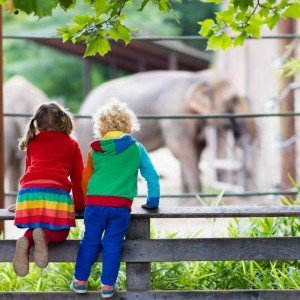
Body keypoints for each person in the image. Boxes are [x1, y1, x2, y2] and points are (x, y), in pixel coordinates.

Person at [70, 98, 160, 298]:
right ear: (128, 125)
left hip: (94, 204)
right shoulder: (136, 148)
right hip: (120, 206)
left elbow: (85, 179)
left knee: (90, 241)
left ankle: (80, 282)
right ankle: (107, 286)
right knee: (113, 244)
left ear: (101, 127)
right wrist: (152, 202)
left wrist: (86, 202)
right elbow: (151, 176)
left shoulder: (96, 150)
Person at [11, 102, 85, 277]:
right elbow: (78, 177)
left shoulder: (33, 142)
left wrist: (21, 204)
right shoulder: (72, 144)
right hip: (56, 192)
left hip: (28, 194)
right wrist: (80, 205)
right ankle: (43, 236)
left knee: (37, 226)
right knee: (60, 232)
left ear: (37, 123)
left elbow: (29, 173)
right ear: (62, 121)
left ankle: (26, 241)